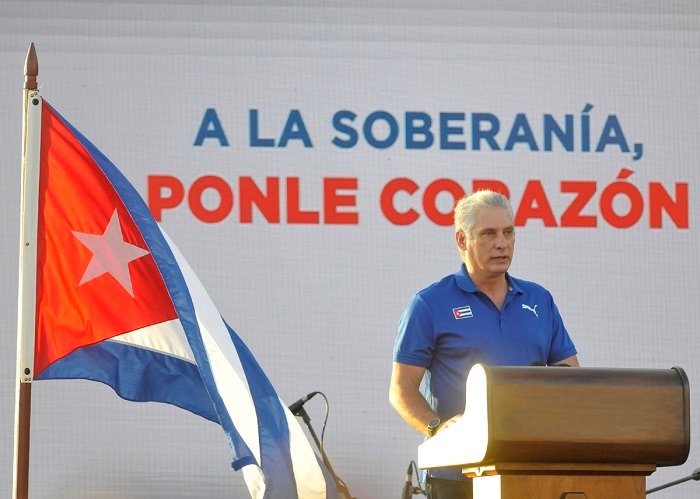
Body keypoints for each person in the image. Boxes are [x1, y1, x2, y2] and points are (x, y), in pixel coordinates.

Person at [389, 190, 579, 498]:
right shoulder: (429, 304)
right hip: (456, 473)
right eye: (488, 234)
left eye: (508, 232)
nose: (502, 243)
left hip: (528, 467)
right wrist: (437, 427)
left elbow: (570, 378)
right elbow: (401, 389)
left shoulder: (539, 300)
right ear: (462, 241)